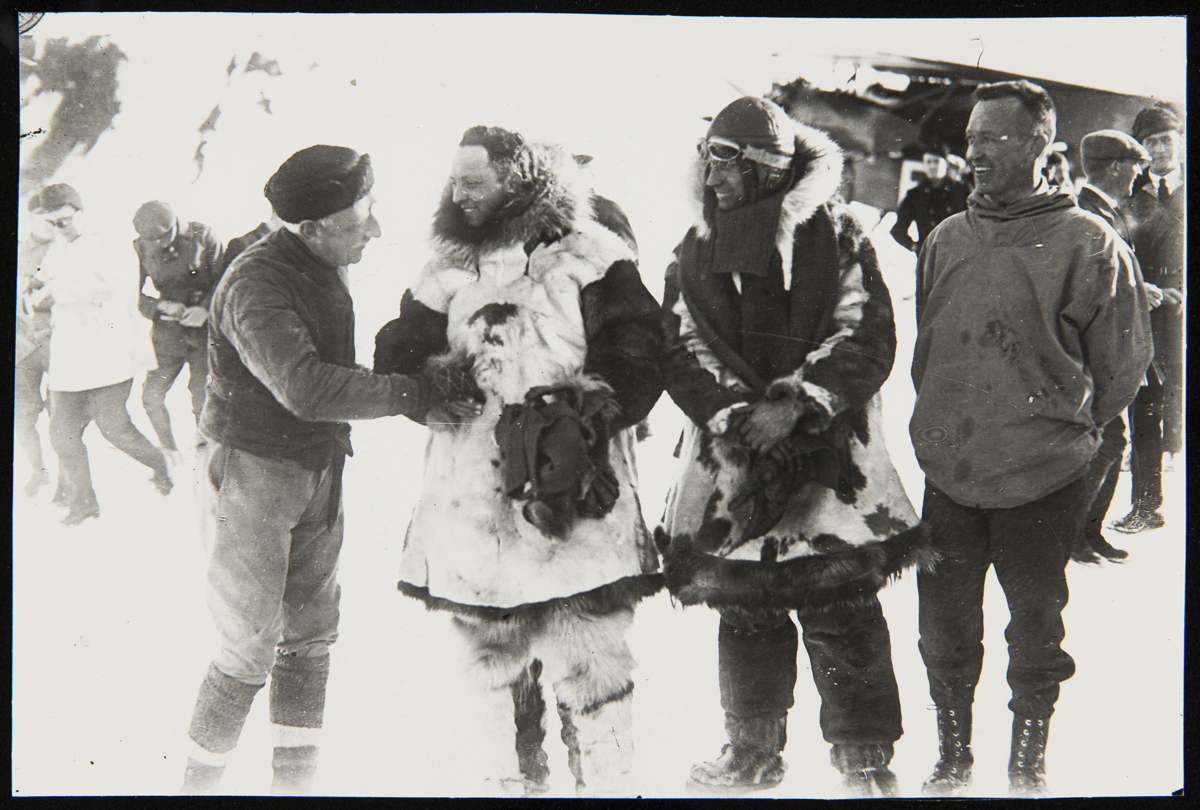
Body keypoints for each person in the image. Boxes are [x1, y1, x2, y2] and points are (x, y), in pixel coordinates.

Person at [181, 145, 481, 795]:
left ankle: (294, 789)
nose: (373, 231)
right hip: (253, 473)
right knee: (248, 647)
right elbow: (308, 388)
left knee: (311, 637)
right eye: (360, 219)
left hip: (316, 465)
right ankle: (194, 789)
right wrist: (415, 393)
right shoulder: (255, 282)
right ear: (311, 227)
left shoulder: (320, 260)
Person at [374, 125, 663, 797]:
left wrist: (590, 411)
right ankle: (513, 785)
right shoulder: (445, 267)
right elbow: (398, 349)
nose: (458, 194)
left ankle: (608, 784)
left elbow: (641, 350)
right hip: (475, 501)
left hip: (574, 496)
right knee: (494, 669)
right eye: (455, 182)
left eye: (473, 181)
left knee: (592, 660)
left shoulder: (593, 256)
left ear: (520, 180)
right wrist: (431, 388)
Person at [657, 96, 927, 798]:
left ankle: (865, 761)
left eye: (728, 163)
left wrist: (798, 406)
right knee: (745, 608)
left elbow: (866, 334)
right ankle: (751, 752)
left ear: (766, 168)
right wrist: (733, 418)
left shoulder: (837, 237)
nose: (712, 178)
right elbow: (679, 342)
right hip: (731, 458)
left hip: (826, 459)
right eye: (707, 161)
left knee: (841, 608)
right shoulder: (694, 248)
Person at [910, 81, 1152, 796]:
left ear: (1042, 147)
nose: (976, 149)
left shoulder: (1089, 242)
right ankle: (953, 758)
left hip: (1042, 478)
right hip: (951, 473)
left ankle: (1027, 767)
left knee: (1035, 632)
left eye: (997, 137)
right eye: (973, 136)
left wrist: (1060, 430)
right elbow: (930, 347)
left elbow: (1123, 368)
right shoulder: (947, 238)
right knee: (944, 633)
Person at [34, 186, 173, 525]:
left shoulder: (110, 244)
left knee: (113, 427)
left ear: (80, 212)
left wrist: (60, 295)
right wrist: (40, 290)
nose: (59, 230)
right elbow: (51, 284)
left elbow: (113, 290)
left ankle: (162, 466)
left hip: (108, 350)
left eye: (64, 222)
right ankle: (85, 503)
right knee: (61, 433)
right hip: (70, 356)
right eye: (52, 225)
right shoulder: (58, 250)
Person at [1071, 130, 1155, 563]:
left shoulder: (1105, 210)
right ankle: (1074, 534)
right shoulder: (1087, 211)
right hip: (1094, 345)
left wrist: (1144, 288)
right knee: (1107, 439)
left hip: (1109, 340)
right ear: (1117, 167)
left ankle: (1087, 531)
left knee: (1111, 439)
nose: (1137, 178)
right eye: (1134, 169)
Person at [1111, 104, 1185, 534]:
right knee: (1146, 411)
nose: (1159, 149)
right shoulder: (1132, 197)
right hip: (1152, 313)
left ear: (1181, 139)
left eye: (1166, 138)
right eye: (1150, 142)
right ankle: (1146, 504)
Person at [133, 200, 225, 463]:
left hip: (204, 333)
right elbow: (131, 294)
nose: (157, 245)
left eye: (161, 237)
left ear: (174, 225)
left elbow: (226, 280)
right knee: (151, 397)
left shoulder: (204, 236)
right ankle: (170, 453)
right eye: (150, 240)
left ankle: (207, 456)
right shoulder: (140, 246)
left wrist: (205, 309)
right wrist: (160, 306)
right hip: (168, 334)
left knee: (202, 399)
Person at [15, 186, 65, 497]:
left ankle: (66, 481)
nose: (49, 225)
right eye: (42, 219)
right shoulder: (17, 250)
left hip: (57, 345)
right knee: (22, 416)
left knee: (59, 418)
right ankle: (38, 471)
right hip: (21, 349)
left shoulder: (66, 251)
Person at [889, 150, 970, 254]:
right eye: (928, 162)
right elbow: (898, 229)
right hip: (929, 258)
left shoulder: (961, 190)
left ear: (946, 163)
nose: (932, 166)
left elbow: (975, 221)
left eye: (936, 161)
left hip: (956, 255)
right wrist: (916, 247)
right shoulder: (915, 194)